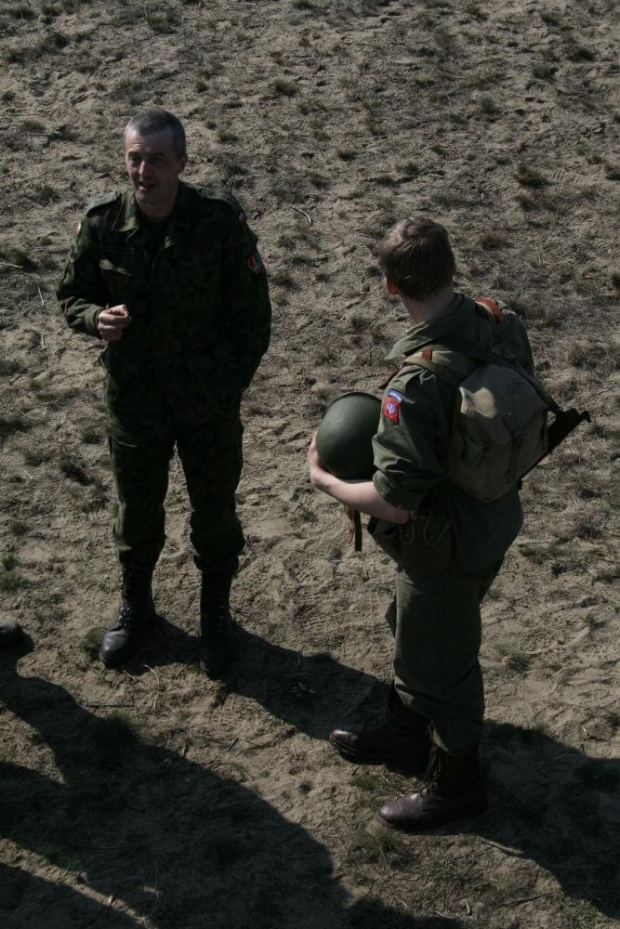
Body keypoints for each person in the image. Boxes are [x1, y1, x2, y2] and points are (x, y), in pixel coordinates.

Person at [308, 217, 535, 830]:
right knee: (413, 622)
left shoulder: (414, 384)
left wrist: (325, 481)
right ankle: (406, 731)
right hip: (494, 511)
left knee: (445, 663)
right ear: (451, 268)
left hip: (445, 542)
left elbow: (396, 501)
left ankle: (458, 783)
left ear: (389, 285)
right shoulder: (498, 320)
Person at [57, 108, 271, 676]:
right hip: (135, 401)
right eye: (134, 158)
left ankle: (215, 616)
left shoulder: (218, 222)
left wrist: (225, 385)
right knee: (137, 512)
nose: (143, 170)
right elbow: (71, 295)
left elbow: (253, 317)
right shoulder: (103, 223)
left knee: (215, 512)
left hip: (207, 405)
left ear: (181, 162)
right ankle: (138, 608)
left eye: (155, 159)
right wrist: (94, 319)